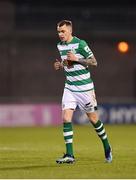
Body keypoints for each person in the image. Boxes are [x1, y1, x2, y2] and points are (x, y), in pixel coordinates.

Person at [54, 20, 112, 164]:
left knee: (93, 120)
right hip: (69, 87)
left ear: (70, 31)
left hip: (85, 89)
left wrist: (77, 59)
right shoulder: (60, 46)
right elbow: (68, 63)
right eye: (58, 31)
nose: (60, 34)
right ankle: (70, 155)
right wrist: (60, 65)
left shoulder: (81, 44)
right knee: (66, 118)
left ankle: (106, 146)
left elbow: (94, 62)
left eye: (63, 31)